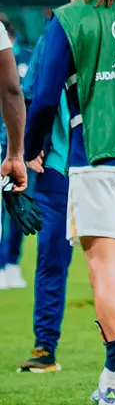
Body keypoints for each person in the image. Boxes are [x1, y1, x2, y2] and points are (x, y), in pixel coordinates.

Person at [23, 0, 115, 405]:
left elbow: (43, 98)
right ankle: (113, 376)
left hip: (95, 160)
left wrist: (31, 148)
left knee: (103, 272)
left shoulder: (70, 18)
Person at [16, 0, 74, 373]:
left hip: (60, 168)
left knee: (52, 260)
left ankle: (44, 349)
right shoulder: (59, 32)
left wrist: (25, 150)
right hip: (70, 166)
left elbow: (31, 95)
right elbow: (32, 96)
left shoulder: (64, 28)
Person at [0, 15, 31, 289]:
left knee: (15, 206)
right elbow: (12, 92)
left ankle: (12, 263)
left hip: (12, 143)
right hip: (12, 147)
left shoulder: (27, 57)